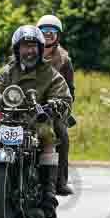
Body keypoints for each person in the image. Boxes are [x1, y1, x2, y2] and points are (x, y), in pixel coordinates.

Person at [0, 25, 72, 218]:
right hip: (10, 120)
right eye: (24, 46)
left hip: (36, 122)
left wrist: (53, 105)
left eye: (33, 46)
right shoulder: (8, 71)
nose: (29, 51)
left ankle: (47, 196)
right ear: (16, 49)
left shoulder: (50, 73)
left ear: (39, 49)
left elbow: (64, 96)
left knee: (48, 137)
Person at [36, 14, 75, 196]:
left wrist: (62, 108)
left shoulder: (64, 60)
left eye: (52, 31)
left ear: (58, 35)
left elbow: (69, 89)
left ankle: (60, 182)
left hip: (53, 106)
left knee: (61, 133)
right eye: (44, 31)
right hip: (27, 102)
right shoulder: (27, 50)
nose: (48, 35)